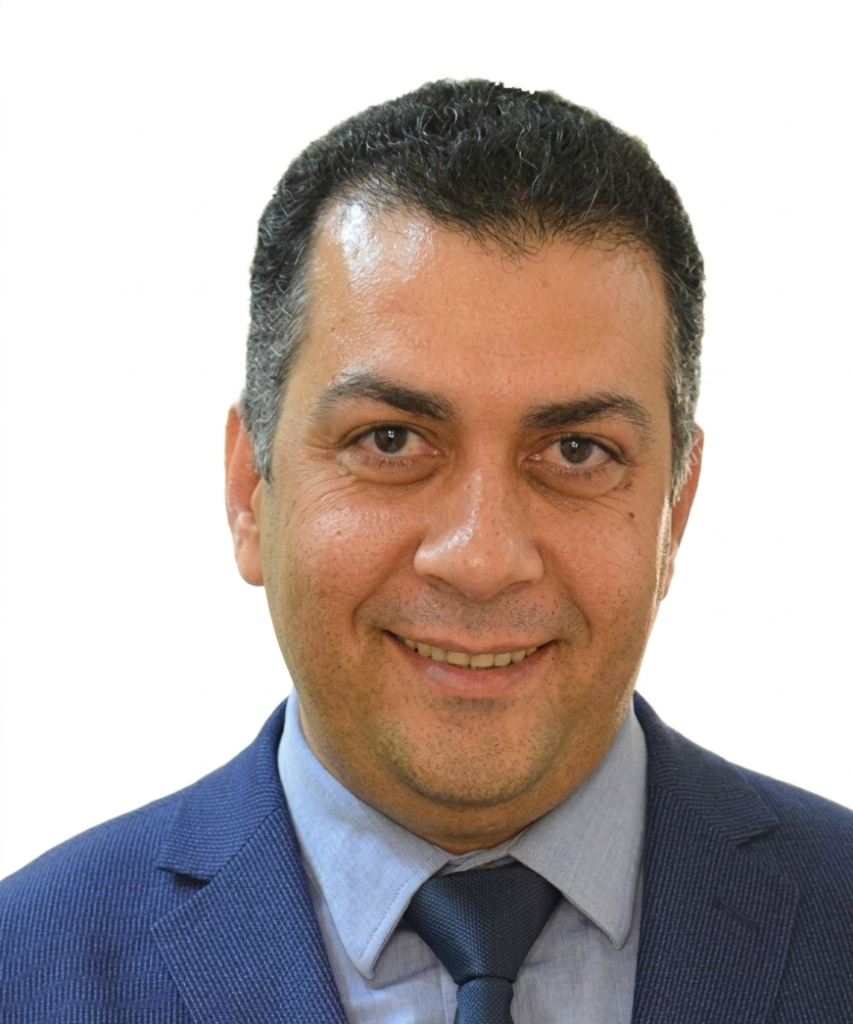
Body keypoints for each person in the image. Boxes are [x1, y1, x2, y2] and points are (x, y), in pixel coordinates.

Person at [1, 79, 851, 1023]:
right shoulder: (24, 973)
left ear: (674, 512)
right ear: (249, 490)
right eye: (390, 440)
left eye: (577, 451)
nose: (480, 559)